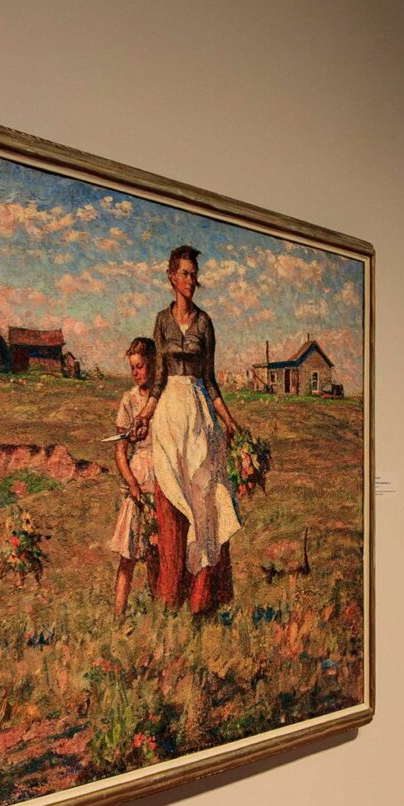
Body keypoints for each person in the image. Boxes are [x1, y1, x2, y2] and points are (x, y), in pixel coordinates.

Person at [147, 244, 250, 613]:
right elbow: (159, 377)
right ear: (171, 277)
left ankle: (203, 596)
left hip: (200, 414)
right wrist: (145, 414)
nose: (190, 280)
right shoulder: (161, 321)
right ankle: (172, 593)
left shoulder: (205, 323)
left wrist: (230, 421)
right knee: (173, 501)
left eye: (194, 274)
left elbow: (210, 379)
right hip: (170, 416)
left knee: (205, 501)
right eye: (184, 274)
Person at [107, 337, 162, 617]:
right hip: (139, 480)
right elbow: (120, 451)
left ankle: (159, 610)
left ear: (152, 364)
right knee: (128, 555)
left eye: (140, 366)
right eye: (132, 368)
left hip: (162, 480)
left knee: (156, 553)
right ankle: (119, 614)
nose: (135, 373)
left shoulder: (161, 399)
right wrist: (132, 484)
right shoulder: (129, 401)